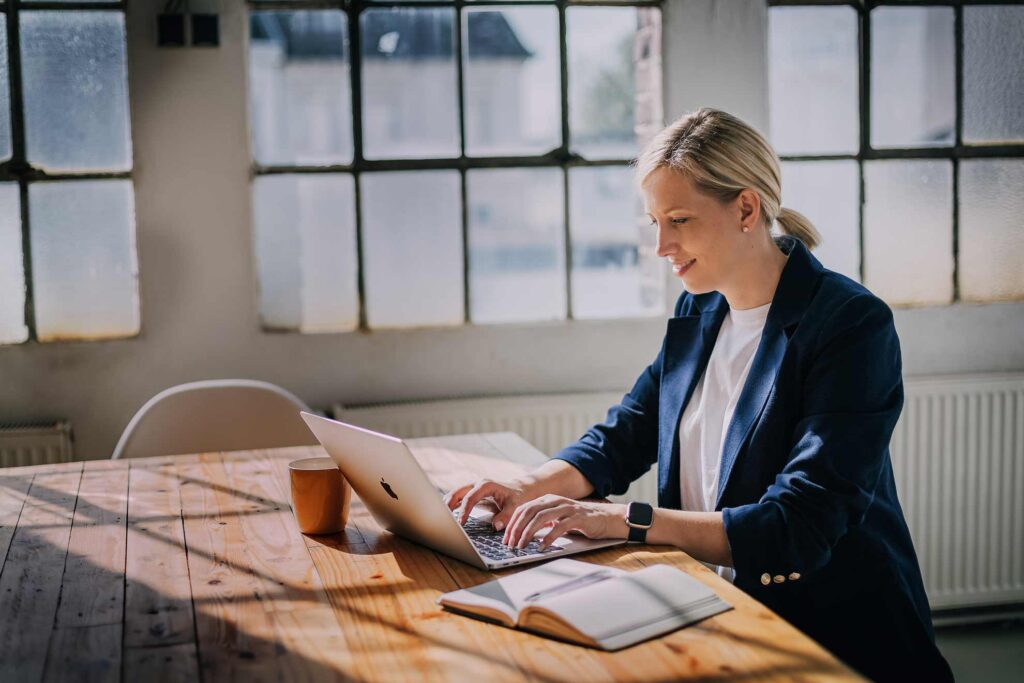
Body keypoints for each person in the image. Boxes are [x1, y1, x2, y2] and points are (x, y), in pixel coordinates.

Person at [444, 108, 954, 681]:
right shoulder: (701, 305)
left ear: (745, 208)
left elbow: (799, 525)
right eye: (655, 221)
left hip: (832, 640)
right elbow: (628, 431)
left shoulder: (850, 323)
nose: (661, 245)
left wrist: (623, 522)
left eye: (679, 219)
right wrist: (525, 487)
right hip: (712, 613)